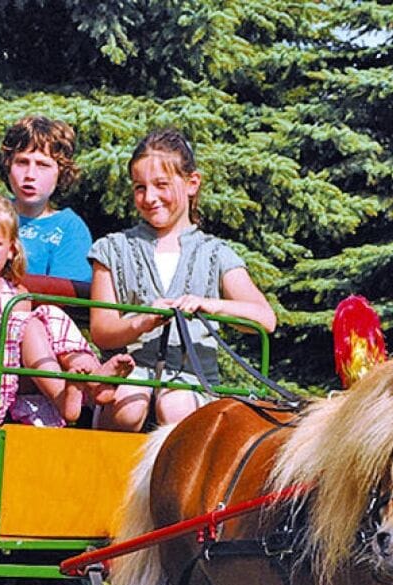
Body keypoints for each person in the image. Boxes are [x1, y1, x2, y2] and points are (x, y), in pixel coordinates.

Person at [88, 129, 277, 431]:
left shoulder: (215, 253)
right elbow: (102, 330)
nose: (150, 198)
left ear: (192, 183)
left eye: (161, 185)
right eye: (139, 187)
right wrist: (142, 322)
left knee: (176, 404)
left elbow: (265, 319)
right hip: (127, 371)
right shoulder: (111, 249)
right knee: (129, 405)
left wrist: (208, 305)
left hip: (192, 377)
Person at [0, 193, 127, 425]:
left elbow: (21, 337)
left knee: (47, 314)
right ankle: (64, 396)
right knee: (28, 323)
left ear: (11, 249)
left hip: (15, 368)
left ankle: (92, 377)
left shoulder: (16, 292)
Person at [1, 115, 93, 280]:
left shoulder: (69, 228)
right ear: (8, 165)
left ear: (61, 172)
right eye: (22, 162)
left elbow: (62, 297)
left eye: (43, 165)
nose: (30, 175)